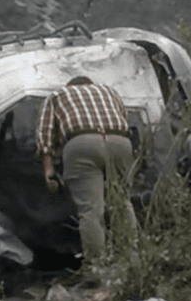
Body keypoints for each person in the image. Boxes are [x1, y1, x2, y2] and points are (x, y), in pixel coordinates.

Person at [35, 75, 138, 268]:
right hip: (120, 142)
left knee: (91, 209)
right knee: (123, 202)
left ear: (71, 86)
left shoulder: (57, 95)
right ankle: (131, 260)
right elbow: (124, 119)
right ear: (90, 85)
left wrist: (49, 169)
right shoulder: (109, 91)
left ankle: (98, 266)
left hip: (82, 144)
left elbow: (45, 135)